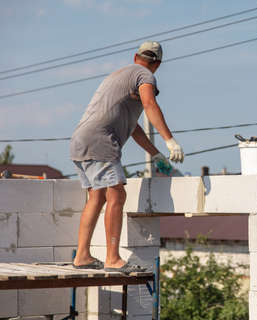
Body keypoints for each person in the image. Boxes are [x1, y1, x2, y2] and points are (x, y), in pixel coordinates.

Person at [70, 41, 183, 274]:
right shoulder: (145, 76)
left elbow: (133, 129)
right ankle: (112, 258)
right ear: (158, 64)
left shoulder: (120, 76)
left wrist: (156, 154)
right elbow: (150, 104)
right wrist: (169, 140)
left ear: (136, 56)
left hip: (80, 139)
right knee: (117, 194)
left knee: (97, 196)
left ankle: (81, 256)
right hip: (101, 140)